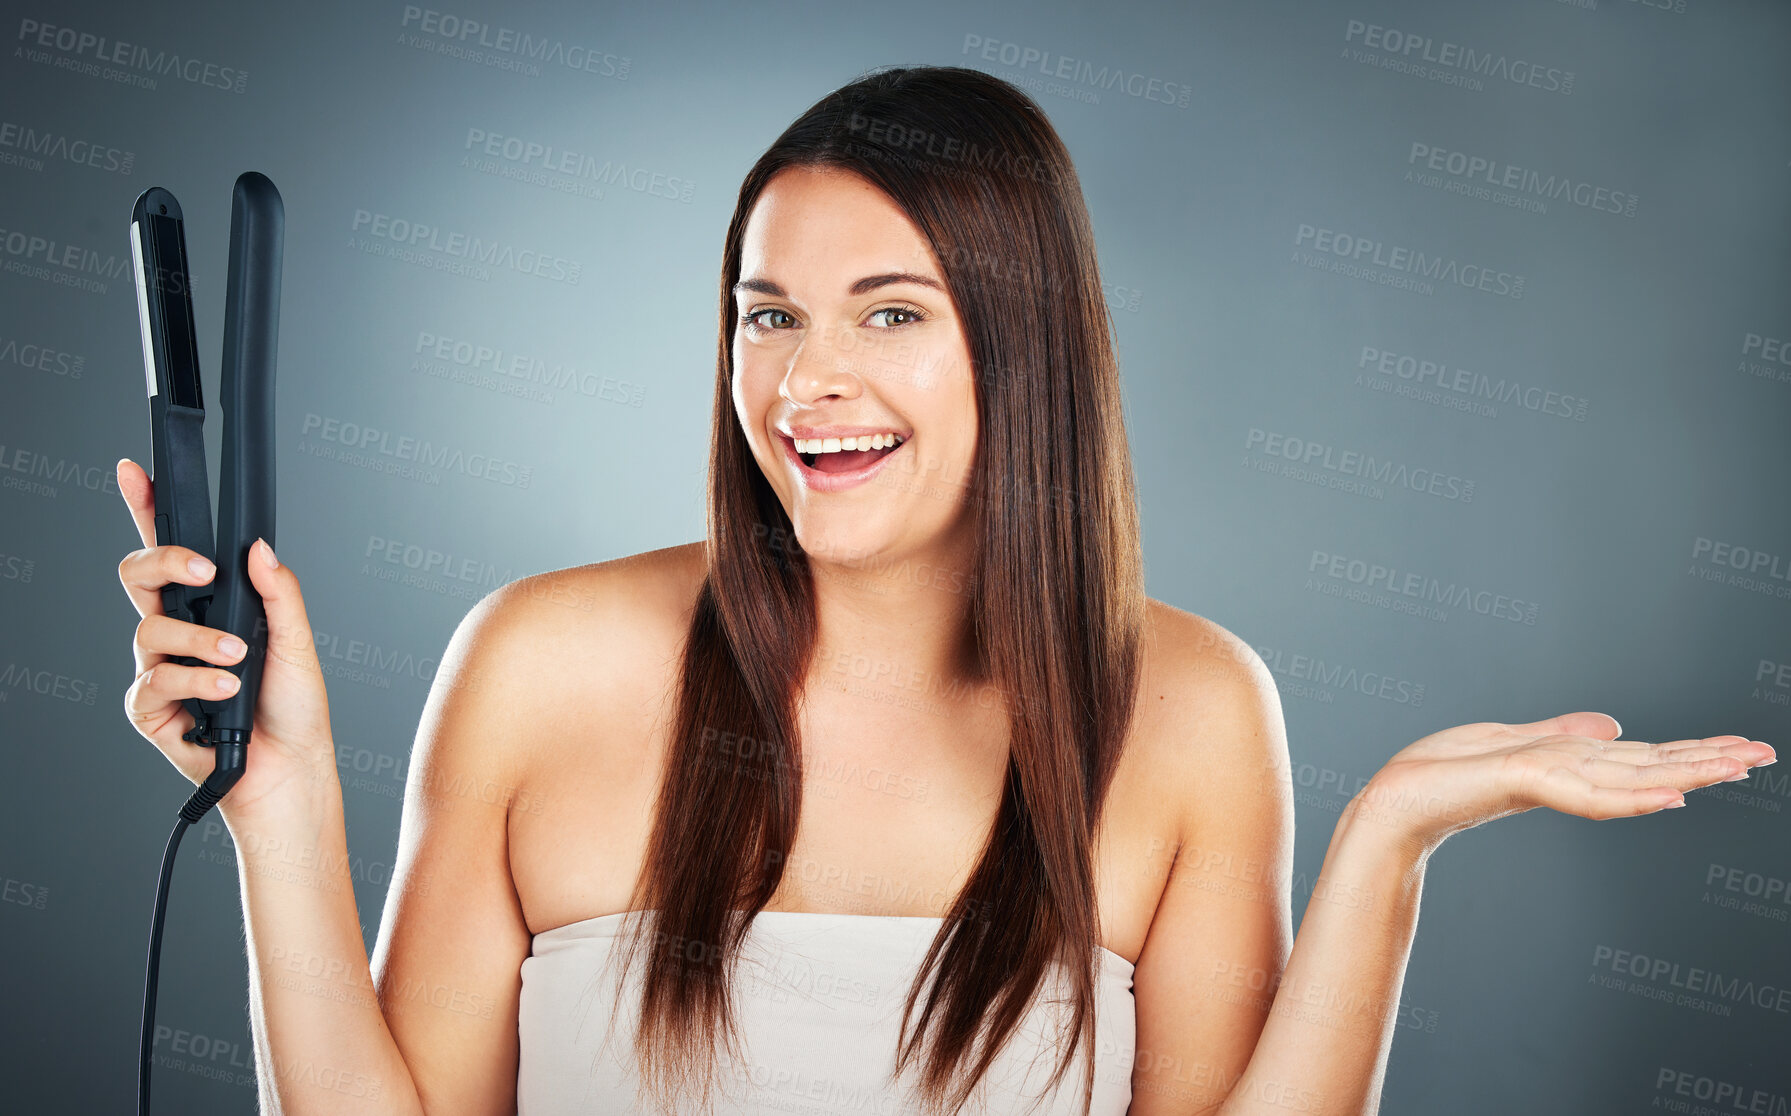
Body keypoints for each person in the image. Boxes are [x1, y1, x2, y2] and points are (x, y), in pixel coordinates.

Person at [113, 64, 1774, 1116]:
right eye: (770, 316)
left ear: (1023, 345)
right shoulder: (542, 661)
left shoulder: (1192, 712)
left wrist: (1391, 839)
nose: (805, 380)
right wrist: (282, 813)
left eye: (888, 313)